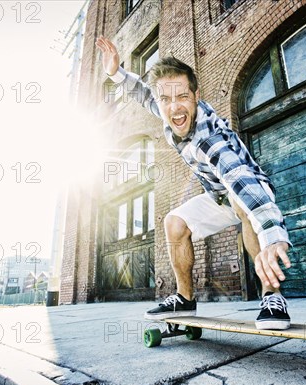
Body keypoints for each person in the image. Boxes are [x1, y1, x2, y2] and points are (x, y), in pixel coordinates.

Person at [96, 37, 293, 330]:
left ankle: (272, 296)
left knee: (242, 204)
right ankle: (185, 298)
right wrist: (115, 73)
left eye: (182, 98)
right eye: (166, 99)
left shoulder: (209, 138)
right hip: (217, 196)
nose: (174, 109)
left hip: (248, 190)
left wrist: (273, 234)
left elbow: (242, 180)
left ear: (196, 95)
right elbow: (142, 93)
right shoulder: (166, 108)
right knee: (174, 223)